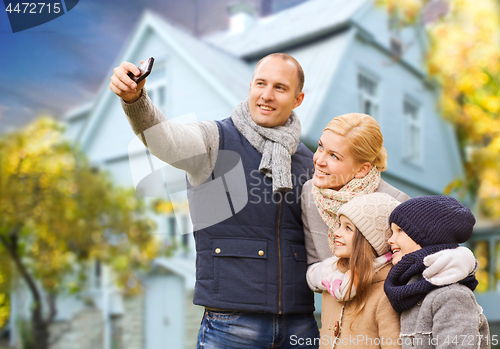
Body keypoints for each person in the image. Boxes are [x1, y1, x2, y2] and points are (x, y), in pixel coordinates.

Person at [110, 53, 319, 348]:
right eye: (260, 84)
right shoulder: (215, 139)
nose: (266, 95)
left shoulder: (309, 161)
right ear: (250, 86)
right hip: (231, 323)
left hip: (300, 323)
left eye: (280, 88)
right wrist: (136, 101)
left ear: (298, 99)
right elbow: (166, 139)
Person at [301, 113, 476, 292]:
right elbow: (313, 264)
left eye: (334, 156)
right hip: (336, 313)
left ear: (362, 169)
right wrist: (334, 279)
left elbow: (414, 269)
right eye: (321, 147)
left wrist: (359, 280)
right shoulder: (309, 193)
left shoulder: (396, 202)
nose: (319, 160)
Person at [384, 196, 490, 349]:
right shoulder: (412, 292)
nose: (390, 240)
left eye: (400, 230)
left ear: (428, 237)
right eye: (392, 231)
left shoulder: (450, 296)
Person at [318, 192, 403, 348]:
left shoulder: (386, 293)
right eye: (339, 225)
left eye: (348, 228)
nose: (336, 233)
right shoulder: (332, 283)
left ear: (370, 240)